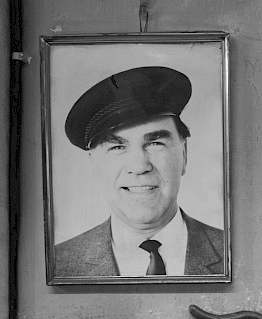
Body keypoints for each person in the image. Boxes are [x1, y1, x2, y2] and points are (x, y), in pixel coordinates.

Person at [54, 66, 225, 278]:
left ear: (184, 154)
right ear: (94, 164)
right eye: (117, 147)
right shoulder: (59, 264)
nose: (139, 166)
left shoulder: (236, 252)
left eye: (155, 143)